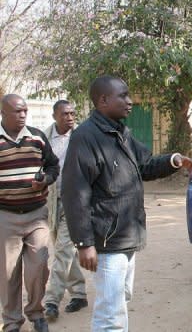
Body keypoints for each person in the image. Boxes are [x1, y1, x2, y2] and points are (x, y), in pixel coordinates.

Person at [61, 76, 192, 331]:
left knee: (119, 302)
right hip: (107, 242)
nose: (130, 101)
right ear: (103, 100)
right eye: (123, 96)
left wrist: (173, 160)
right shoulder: (85, 137)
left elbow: (144, 165)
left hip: (126, 236)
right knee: (109, 314)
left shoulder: (120, 132)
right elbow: (74, 193)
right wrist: (84, 243)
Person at [0, 94, 60, 332]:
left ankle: (36, 313)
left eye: (25, 111)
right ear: (3, 113)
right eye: (17, 111)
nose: (23, 115)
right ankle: (12, 321)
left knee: (39, 267)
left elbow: (53, 166)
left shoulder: (37, 137)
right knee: (7, 273)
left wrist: (45, 179)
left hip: (36, 215)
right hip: (6, 216)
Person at [43, 100, 88, 321]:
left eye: (72, 113)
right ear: (55, 116)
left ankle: (51, 301)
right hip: (52, 202)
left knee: (62, 251)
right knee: (64, 251)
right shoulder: (44, 138)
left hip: (75, 203)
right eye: (65, 114)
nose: (70, 117)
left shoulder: (82, 137)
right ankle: (79, 294)